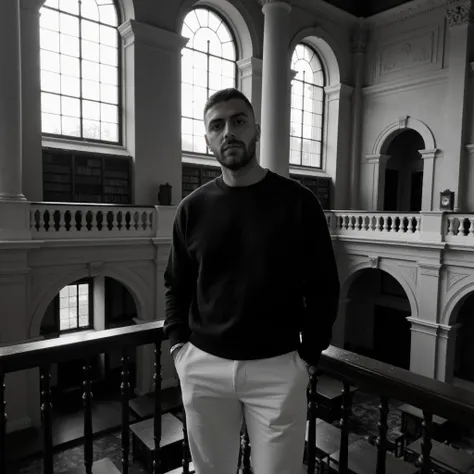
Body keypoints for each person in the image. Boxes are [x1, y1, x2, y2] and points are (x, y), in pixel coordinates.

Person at [164, 88, 340, 474]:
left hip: (277, 369)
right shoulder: (191, 209)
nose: (228, 132)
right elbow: (177, 286)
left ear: (255, 130)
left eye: (238, 121)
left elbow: (324, 285)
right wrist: (180, 350)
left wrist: (306, 358)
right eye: (217, 125)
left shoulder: (299, 203)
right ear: (207, 138)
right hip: (203, 368)